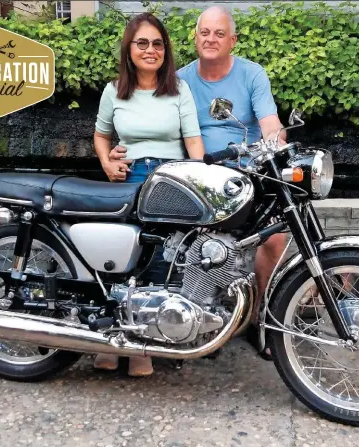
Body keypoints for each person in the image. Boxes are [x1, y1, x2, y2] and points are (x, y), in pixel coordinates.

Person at [109, 6, 287, 361]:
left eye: (219, 33)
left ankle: (260, 319)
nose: (211, 39)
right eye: (205, 32)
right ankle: (202, 318)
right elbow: (146, 117)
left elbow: (269, 121)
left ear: (232, 40)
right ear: (195, 36)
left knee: (276, 239)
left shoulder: (252, 74)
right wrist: (116, 151)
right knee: (192, 245)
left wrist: (278, 143)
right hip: (199, 173)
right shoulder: (180, 78)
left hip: (246, 173)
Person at [92, 12, 205, 376]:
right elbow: (101, 135)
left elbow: (193, 141)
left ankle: (142, 345)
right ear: (129, 48)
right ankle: (111, 337)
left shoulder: (178, 90)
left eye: (157, 43)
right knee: (122, 256)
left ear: (165, 50)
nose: (151, 49)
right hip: (128, 179)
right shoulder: (114, 90)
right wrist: (107, 164)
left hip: (169, 180)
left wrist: (198, 176)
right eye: (142, 42)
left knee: (158, 259)